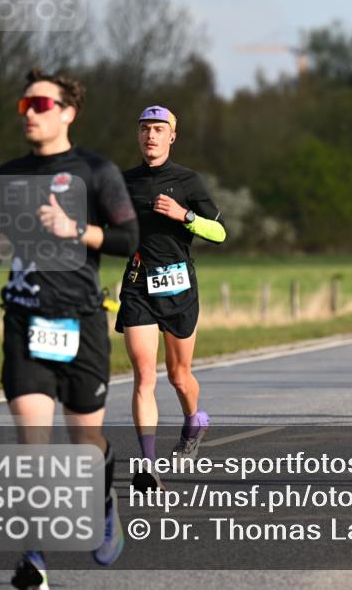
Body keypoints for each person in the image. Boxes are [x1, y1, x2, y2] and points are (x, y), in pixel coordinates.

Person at [0, 69, 139, 588]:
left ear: (68, 111)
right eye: (25, 105)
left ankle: (102, 498)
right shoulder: (7, 174)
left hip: (82, 321)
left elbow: (129, 238)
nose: (31, 112)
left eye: (41, 103)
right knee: (32, 445)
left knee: (85, 441)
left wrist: (76, 230)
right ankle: (34, 557)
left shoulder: (96, 171)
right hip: (24, 319)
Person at [115, 106, 226, 491]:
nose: (151, 136)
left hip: (179, 288)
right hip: (137, 286)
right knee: (144, 375)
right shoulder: (123, 182)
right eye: (145, 129)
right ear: (138, 135)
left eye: (159, 129)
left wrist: (185, 216)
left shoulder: (188, 181)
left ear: (172, 136)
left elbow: (220, 233)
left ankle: (195, 419)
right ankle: (147, 466)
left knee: (179, 376)